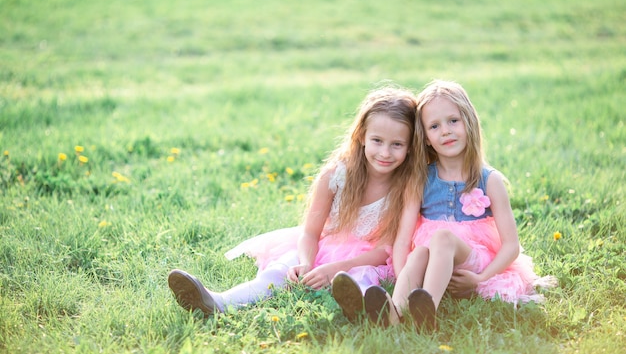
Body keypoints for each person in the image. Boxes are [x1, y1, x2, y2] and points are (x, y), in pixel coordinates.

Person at [168, 86, 421, 320]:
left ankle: (365, 310)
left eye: (397, 145)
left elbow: (387, 248)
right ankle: (218, 301)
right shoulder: (337, 175)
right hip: (323, 247)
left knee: (360, 280)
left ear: (410, 147)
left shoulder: (406, 186)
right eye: (377, 141)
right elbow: (310, 232)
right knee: (279, 272)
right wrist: (307, 262)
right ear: (362, 136)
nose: (385, 153)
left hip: (367, 260)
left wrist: (337, 268)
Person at [361, 80, 555, 331]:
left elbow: (511, 246)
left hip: (473, 261)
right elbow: (402, 240)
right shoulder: (420, 179)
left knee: (442, 238)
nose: (445, 131)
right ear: (426, 138)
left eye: (453, 121)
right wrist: (405, 275)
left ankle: (427, 309)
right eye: (434, 126)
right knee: (419, 252)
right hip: (433, 261)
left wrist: (480, 279)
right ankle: (396, 311)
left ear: (469, 122)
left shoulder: (489, 180)